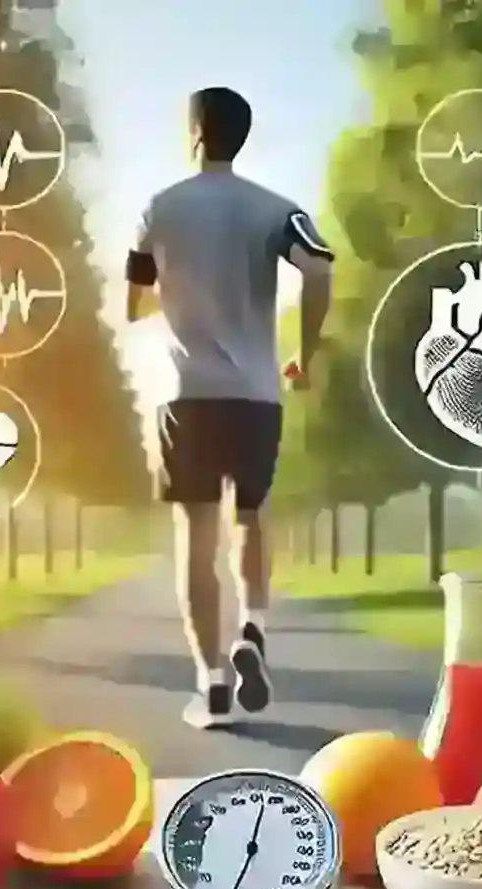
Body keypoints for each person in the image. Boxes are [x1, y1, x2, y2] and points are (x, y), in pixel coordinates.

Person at [126, 86, 333, 729]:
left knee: (196, 538)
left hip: (186, 395)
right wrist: (306, 351)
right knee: (251, 517)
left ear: (193, 133)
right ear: (241, 137)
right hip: (255, 394)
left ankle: (212, 685)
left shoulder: (160, 207)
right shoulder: (276, 208)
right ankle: (254, 627)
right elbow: (320, 268)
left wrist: (179, 302)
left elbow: (133, 306)